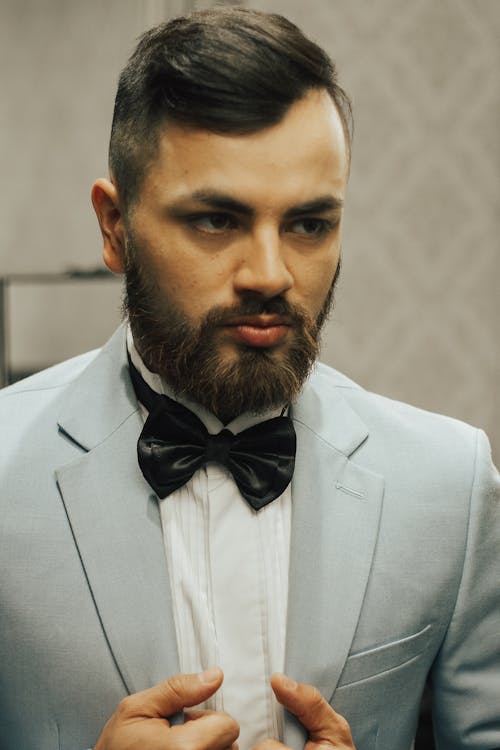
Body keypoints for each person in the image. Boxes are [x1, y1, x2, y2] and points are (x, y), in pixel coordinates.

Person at [0, 7, 498, 750]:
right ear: (114, 227)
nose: (270, 275)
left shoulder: (449, 486)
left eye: (308, 225)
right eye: (215, 220)